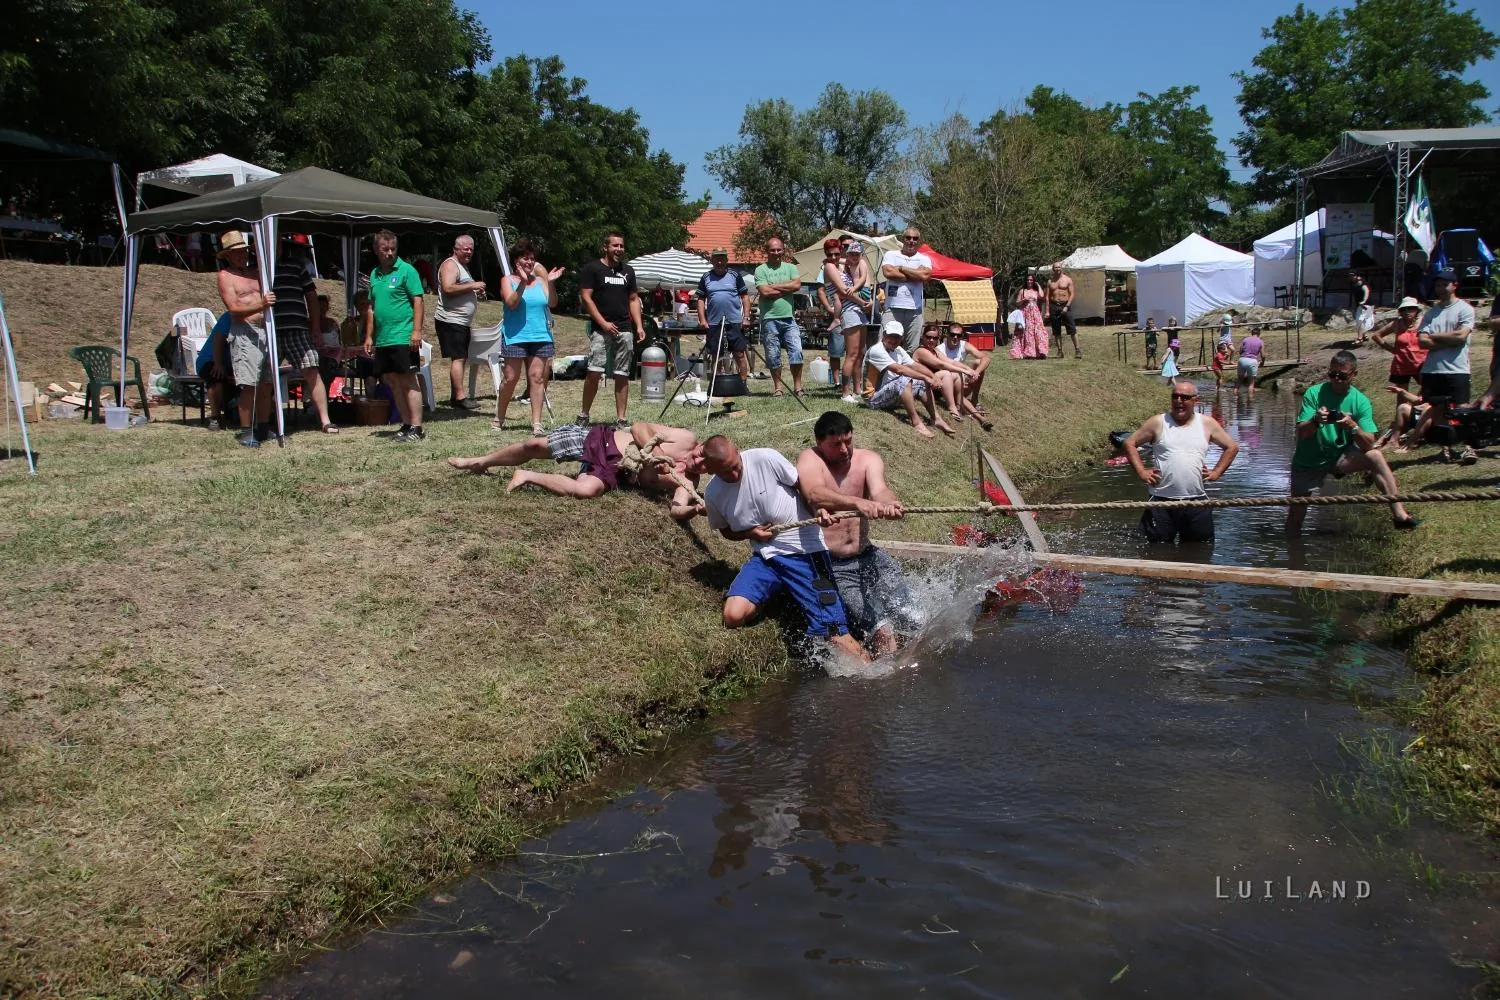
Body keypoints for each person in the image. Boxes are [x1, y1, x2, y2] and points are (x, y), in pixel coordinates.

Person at [697, 435, 868, 663]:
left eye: (735, 467)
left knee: (834, 632)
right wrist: (750, 533)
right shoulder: (713, 493)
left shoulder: (765, 458)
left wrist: (818, 510)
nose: (734, 475)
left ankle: (873, 672)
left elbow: (805, 487)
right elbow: (726, 531)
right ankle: (783, 593)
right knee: (732, 616)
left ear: (738, 451)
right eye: (725, 472)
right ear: (709, 470)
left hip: (804, 551)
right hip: (766, 558)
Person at [796, 411, 917, 655]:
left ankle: (911, 667)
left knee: (912, 615)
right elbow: (814, 493)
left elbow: (880, 490)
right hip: (835, 565)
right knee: (881, 629)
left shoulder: (867, 458)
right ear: (820, 443)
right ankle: (889, 680)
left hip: (868, 554)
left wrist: (891, 503)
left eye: (848, 441)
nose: (844, 449)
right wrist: (856, 503)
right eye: (836, 444)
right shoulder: (810, 459)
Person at [1286, 351, 1418, 534]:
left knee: (1375, 456)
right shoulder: (1314, 393)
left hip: (1340, 456)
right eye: (1332, 374)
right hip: (1308, 460)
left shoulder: (1360, 401)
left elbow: (1369, 444)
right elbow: (1302, 433)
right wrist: (1316, 420)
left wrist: (1352, 426)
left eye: (1342, 375)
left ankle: (1399, 514)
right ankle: (1293, 556)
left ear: (1353, 374)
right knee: (1295, 518)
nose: (1336, 379)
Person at [447, 421, 702, 510]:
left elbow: (678, 509)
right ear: (701, 446)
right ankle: (479, 461)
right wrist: (655, 453)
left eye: (705, 464)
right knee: (534, 446)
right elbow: (639, 428)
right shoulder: (686, 439)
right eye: (701, 454)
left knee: (586, 491)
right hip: (605, 442)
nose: (697, 460)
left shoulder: (687, 482)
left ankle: (526, 475)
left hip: (614, 471)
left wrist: (692, 510)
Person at [1122, 380, 1239, 543]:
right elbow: (1129, 443)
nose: (1179, 401)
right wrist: (1142, 471)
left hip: (1196, 500)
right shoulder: (1158, 422)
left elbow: (1231, 447)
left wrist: (1217, 472)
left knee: (1199, 551)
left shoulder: (1207, 424)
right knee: (1155, 551)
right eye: (1175, 396)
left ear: (1195, 400)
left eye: (1184, 397)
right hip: (1161, 501)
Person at [363, 228, 427, 443]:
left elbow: (418, 300)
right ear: (376, 250)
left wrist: (416, 331)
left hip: (403, 335)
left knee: (408, 380)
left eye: (393, 249)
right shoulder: (374, 274)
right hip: (384, 338)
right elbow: (371, 307)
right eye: (385, 249)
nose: (389, 253)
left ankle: (417, 427)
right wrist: (369, 336)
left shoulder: (407, 271)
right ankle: (406, 423)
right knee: (392, 381)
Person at [495, 237, 562, 435]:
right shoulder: (507, 280)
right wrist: (523, 283)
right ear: (516, 261)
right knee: (510, 378)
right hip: (516, 336)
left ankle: (536, 423)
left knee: (537, 378)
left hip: (540, 335)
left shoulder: (541, 281)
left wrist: (549, 283)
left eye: (532, 259)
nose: (530, 262)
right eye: (526, 258)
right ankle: (499, 418)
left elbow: (552, 303)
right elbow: (512, 303)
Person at [215, 230, 276, 448]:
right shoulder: (225, 276)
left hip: (264, 332)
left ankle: (263, 427)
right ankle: (246, 430)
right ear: (228, 256)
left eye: (243, 251)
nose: (242, 255)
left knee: (266, 384)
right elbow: (234, 308)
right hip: (244, 332)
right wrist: (262, 304)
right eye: (237, 253)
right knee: (250, 384)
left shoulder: (256, 273)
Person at [577, 233, 644, 428]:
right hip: (600, 330)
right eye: (615, 245)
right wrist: (603, 323)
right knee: (594, 373)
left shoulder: (628, 271)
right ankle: (584, 415)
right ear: (605, 247)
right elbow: (586, 298)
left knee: (622, 374)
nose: (619, 249)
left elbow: (633, 299)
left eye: (622, 246)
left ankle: (621, 419)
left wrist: (638, 325)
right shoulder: (592, 269)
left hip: (624, 329)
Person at [272, 236, 336, 434]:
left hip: (297, 328)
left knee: (312, 370)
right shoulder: (259, 268)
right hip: (271, 330)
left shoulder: (296, 265)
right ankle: (267, 421)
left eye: (279, 244)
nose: (276, 249)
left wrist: (315, 327)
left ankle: (325, 420)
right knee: (266, 377)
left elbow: (311, 297)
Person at [863, 319, 955, 438]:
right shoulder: (877, 350)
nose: (894, 340)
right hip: (873, 400)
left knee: (921, 382)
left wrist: (932, 377)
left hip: (890, 395)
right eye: (891, 336)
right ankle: (916, 422)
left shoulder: (899, 350)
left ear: (901, 338)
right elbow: (899, 369)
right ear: (884, 334)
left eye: (897, 337)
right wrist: (926, 377)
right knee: (904, 379)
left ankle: (936, 419)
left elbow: (914, 365)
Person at [435, 234, 488, 411]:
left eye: (471, 249)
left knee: (461, 358)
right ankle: (458, 398)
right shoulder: (450, 264)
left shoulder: (462, 266)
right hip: (451, 320)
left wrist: (474, 292)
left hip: (460, 322)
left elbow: (459, 288)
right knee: (458, 358)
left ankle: (456, 395)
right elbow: (448, 288)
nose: (469, 252)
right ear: (456, 249)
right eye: (466, 248)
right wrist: (473, 286)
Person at [754, 236, 806, 398]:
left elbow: (797, 285)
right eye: (772, 250)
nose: (776, 253)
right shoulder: (760, 270)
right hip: (769, 318)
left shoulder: (791, 267)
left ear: (783, 250)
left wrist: (773, 287)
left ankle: (798, 387)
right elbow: (764, 292)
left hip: (789, 318)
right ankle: (778, 388)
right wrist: (786, 288)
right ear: (767, 251)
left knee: (796, 351)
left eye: (779, 249)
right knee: (772, 354)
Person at [913, 324, 993, 429]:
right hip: (923, 387)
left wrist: (970, 371)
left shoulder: (935, 351)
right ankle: (953, 408)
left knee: (955, 374)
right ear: (923, 337)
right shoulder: (921, 351)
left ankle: (977, 416)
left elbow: (952, 362)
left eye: (935, 338)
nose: (931, 340)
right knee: (946, 373)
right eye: (928, 337)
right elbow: (942, 365)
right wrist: (966, 371)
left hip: (936, 385)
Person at [695, 246, 751, 384]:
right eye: (716, 259)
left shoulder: (735, 275)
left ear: (726, 260)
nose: (719, 262)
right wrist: (702, 319)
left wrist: (746, 317)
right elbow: (701, 299)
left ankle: (742, 384)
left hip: (734, 321)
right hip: (714, 322)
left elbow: (745, 297)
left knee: (739, 353)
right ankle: (717, 384)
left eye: (722, 259)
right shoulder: (706, 277)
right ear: (712, 260)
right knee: (715, 354)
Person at [830, 241, 872, 402]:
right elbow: (837, 261)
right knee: (853, 353)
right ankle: (845, 392)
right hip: (853, 308)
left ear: (861, 255)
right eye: (851, 254)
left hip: (862, 292)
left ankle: (857, 388)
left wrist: (854, 289)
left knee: (859, 353)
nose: (854, 257)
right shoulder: (846, 264)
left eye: (857, 254)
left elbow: (862, 279)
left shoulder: (861, 263)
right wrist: (831, 261)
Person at [880, 228, 933, 352]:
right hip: (892, 308)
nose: (911, 241)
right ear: (903, 239)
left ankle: (906, 372)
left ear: (918, 241)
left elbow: (925, 276)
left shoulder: (924, 259)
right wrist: (916, 275)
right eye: (908, 238)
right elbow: (888, 273)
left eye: (915, 238)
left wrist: (902, 268)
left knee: (912, 349)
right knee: (885, 346)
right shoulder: (891, 255)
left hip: (915, 311)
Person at [1369, 296, 1428, 389]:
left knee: (1427, 391)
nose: (1407, 311)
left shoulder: (1425, 321)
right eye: (1403, 309)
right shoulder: (1396, 323)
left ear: (1417, 310)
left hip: (1422, 363)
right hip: (1402, 365)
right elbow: (1376, 336)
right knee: (1402, 396)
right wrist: (1392, 350)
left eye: (1410, 308)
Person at [938, 322, 992, 412]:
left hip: (963, 381)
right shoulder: (940, 349)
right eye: (952, 334)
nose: (955, 337)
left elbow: (986, 358)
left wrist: (976, 372)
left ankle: (974, 400)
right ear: (947, 335)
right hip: (948, 385)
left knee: (978, 363)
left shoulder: (964, 345)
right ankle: (960, 404)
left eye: (958, 336)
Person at [1047, 262, 1081, 359]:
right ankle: (1060, 351)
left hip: (1065, 305)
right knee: (1056, 330)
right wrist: (1047, 311)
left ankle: (1077, 350)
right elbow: (1047, 297)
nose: (1057, 268)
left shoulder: (1068, 279)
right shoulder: (1050, 281)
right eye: (1055, 267)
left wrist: (1067, 306)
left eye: (1059, 267)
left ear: (1061, 268)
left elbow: (1072, 294)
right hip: (1054, 306)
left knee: (1072, 329)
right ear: (1053, 269)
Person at [1010, 274, 1047, 359]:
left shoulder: (1036, 290)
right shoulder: (1022, 291)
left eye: (1031, 280)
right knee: (1025, 332)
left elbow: (1041, 296)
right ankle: (1026, 352)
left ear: (1033, 281)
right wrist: (1023, 300)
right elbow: (1017, 303)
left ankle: (1040, 352)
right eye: (1028, 280)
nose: (1029, 281)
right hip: (1025, 313)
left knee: (1038, 332)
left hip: (1035, 314)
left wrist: (1038, 285)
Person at [1236, 325, 1266, 397]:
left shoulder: (1245, 339)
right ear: (1259, 334)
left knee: (1239, 380)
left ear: (1252, 333)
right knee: (1251, 384)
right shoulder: (1260, 342)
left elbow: (1240, 351)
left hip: (1242, 360)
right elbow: (1263, 355)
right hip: (1252, 361)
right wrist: (1262, 362)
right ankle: (1250, 403)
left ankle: (1236, 398)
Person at [1351, 273, 1374, 345]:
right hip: (1362, 306)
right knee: (1362, 322)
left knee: (1360, 321)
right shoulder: (1355, 286)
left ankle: (1359, 338)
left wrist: (1364, 301)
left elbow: (1366, 292)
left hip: (1365, 306)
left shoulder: (1364, 285)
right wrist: (1353, 307)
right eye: (1351, 276)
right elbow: (1354, 299)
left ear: (1359, 277)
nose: (1351, 277)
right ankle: (1364, 336)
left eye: (1353, 275)